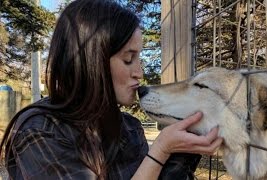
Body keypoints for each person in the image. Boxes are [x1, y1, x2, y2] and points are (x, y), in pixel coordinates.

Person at [0, 0, 223, 179]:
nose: (139, 73)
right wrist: (161, 151)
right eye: (128, 59)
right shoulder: (39, 131)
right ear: (90, 62)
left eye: (139, 59)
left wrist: (182, 151)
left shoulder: (129, 128)